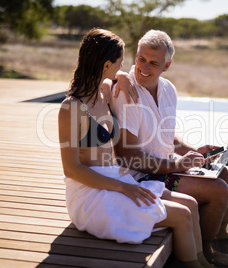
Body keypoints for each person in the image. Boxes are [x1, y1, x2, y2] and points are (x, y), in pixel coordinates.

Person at [58, 28, 213, 268]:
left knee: (190, 205)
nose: (126, 68)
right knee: (181, 216)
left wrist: (120, 76)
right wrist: (123, 187)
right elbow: (72, 170)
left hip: (114, 182)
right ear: (106, 63)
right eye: (120, 64)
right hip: (90, 195)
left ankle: (203, 262)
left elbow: (112, 78)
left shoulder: (105, 92)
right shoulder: (72, 108)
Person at [110, 29, 228, 266]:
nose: (144, 68)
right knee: (218, 190)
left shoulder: (168, 89)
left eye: (153, 63)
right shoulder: (125, 91)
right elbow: (127, 155)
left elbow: (167, 136)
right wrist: (177, 164)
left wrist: (194, 152)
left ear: (166, 66)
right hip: (143, 177)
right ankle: (206, 249)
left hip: (166, 167)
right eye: (141, 59)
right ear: (135, 56)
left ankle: (221, 233)